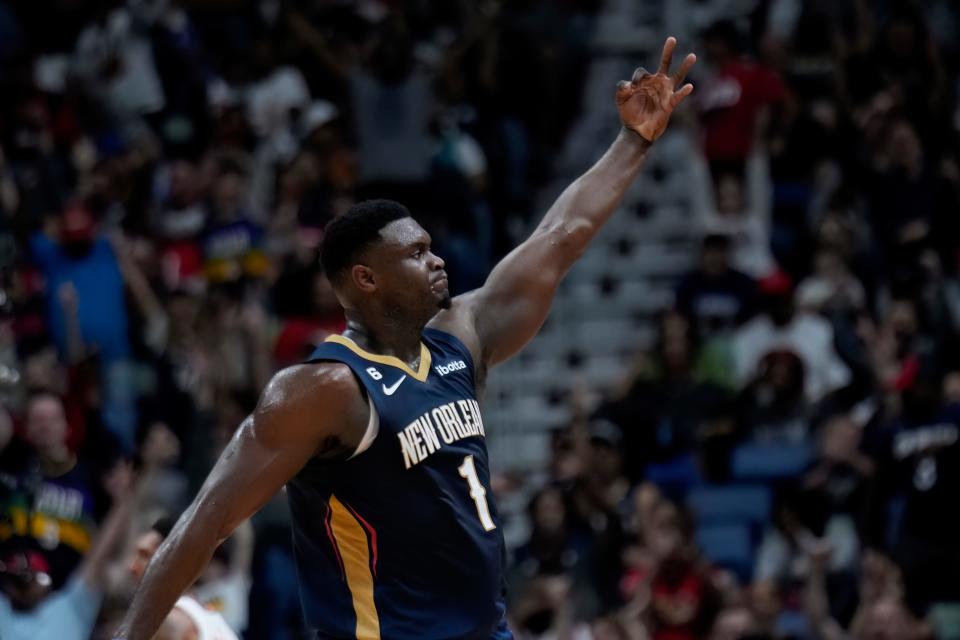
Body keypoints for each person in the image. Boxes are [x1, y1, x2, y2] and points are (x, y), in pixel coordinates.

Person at [115, 37, 697, 639]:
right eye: (416, 253)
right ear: (366, 278)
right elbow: (204, 523)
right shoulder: (323, 389)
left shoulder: (460, 337)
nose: (438, 260)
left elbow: (560, 235)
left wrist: (634, 141)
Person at [126, 515, 238, 640]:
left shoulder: (168, 621)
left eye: (145, 555)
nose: (132, 567)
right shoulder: (209, 617)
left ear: (174, 561)